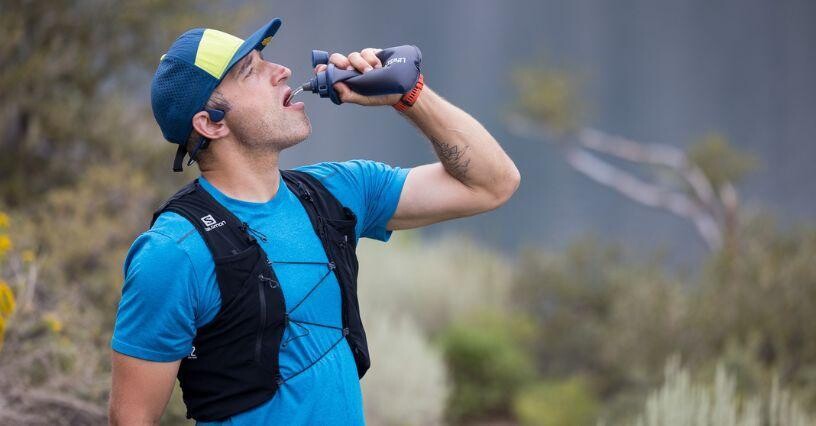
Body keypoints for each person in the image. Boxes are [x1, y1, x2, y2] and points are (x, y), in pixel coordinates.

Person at [108, 17, 520, 425]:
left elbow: (492, 183)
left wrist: (409, 94)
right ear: (210, 123)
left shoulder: (336, 192)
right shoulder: (173, 252)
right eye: (251, 71)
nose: (282, 71)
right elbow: (131, 419)